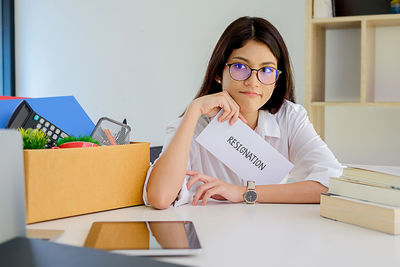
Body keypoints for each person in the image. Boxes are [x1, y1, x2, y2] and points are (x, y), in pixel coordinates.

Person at [143, 16, 343, 210]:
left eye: (266, 70)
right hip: (210, 236)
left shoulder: (289, 117)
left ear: (277, 79)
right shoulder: (192, 125)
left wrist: (244, 192)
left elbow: (333, 184)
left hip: (271, 233)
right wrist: (194, 109)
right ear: (218, 73)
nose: (253, 82)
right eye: (240, 67)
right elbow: (160, 198)